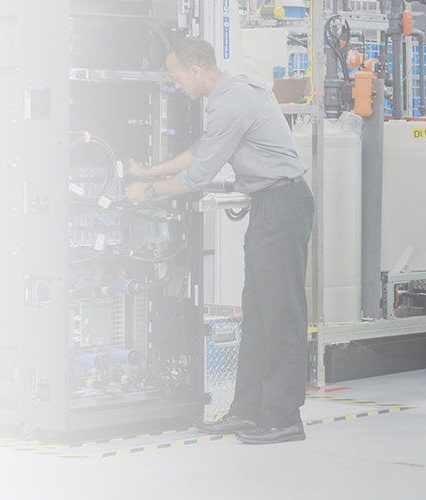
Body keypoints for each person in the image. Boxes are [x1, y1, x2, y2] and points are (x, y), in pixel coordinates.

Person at [124, 38, 315, 445]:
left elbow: (197, 175)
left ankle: (284, 418)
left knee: (281, 315)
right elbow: (200, 151)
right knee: (259, 314)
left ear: (196, 70)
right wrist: (147, 172)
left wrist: (150, 191)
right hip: (269, 205)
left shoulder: (231, 103)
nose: (177, 86)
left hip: (283, 204)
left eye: (177, 78)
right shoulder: (232, 92)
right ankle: (247, 412)